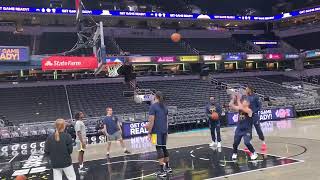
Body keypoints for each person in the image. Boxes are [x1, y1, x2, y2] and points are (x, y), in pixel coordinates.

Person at [146, 91, 172, 178]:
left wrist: (149, 132)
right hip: (164, 130)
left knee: (158, 149)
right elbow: (167, 121)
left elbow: (151, 121)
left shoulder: (153, 107)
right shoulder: (165, 107)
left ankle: (162, 171)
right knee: (164, 147)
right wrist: (166, 131)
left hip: (156, 131)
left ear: (155, 97)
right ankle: (168, 168)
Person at [229, 94, 258, 161]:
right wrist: (233, 99)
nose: (242, 102)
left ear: (248, 103)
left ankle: (254, 153)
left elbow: (241, 107)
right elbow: (230, 105)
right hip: (239, 129)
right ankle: (235, 153)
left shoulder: (250, 111)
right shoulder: (240, 109)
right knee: (235, 143)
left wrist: (238, 99)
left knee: (247, 142)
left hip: (247, 130)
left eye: (244, 101)